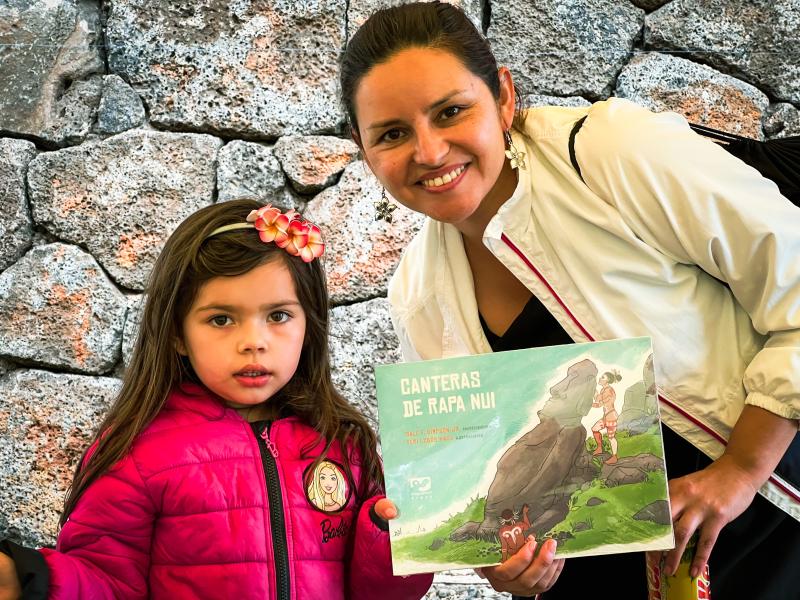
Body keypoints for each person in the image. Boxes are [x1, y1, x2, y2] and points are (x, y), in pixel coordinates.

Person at [339, 2, 800, 598]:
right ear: (364, 149)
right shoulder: (416, 293)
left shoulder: (610, 153)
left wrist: (740, 471)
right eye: (392, 134)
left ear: (504, 96)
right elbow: (482, 490)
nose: (428, 152)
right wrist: (505, 569)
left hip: (763, 529)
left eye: (451, 111)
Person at [0, 199, 433, 599]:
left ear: (309, 325)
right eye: (222, 319)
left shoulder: (343, 442)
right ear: (177, 334)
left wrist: (394, 538)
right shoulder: (138, 452)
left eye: (278, 315)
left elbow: (383, 594)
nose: (253, 342)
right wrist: (30, 579)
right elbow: (105, 582)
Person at [591, 370, 622, 464]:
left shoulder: (609, 390)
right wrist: (594, 397)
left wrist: (593, 400)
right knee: (594, 429)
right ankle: (599, 448)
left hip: (611, 418)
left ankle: (614, 457)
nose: (600, 378)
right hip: (606, 417)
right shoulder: (604, 390)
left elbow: (600, 402)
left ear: (607, 381)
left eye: (603, 377)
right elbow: (599, 401)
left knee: (611, 438)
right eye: (601, 376)